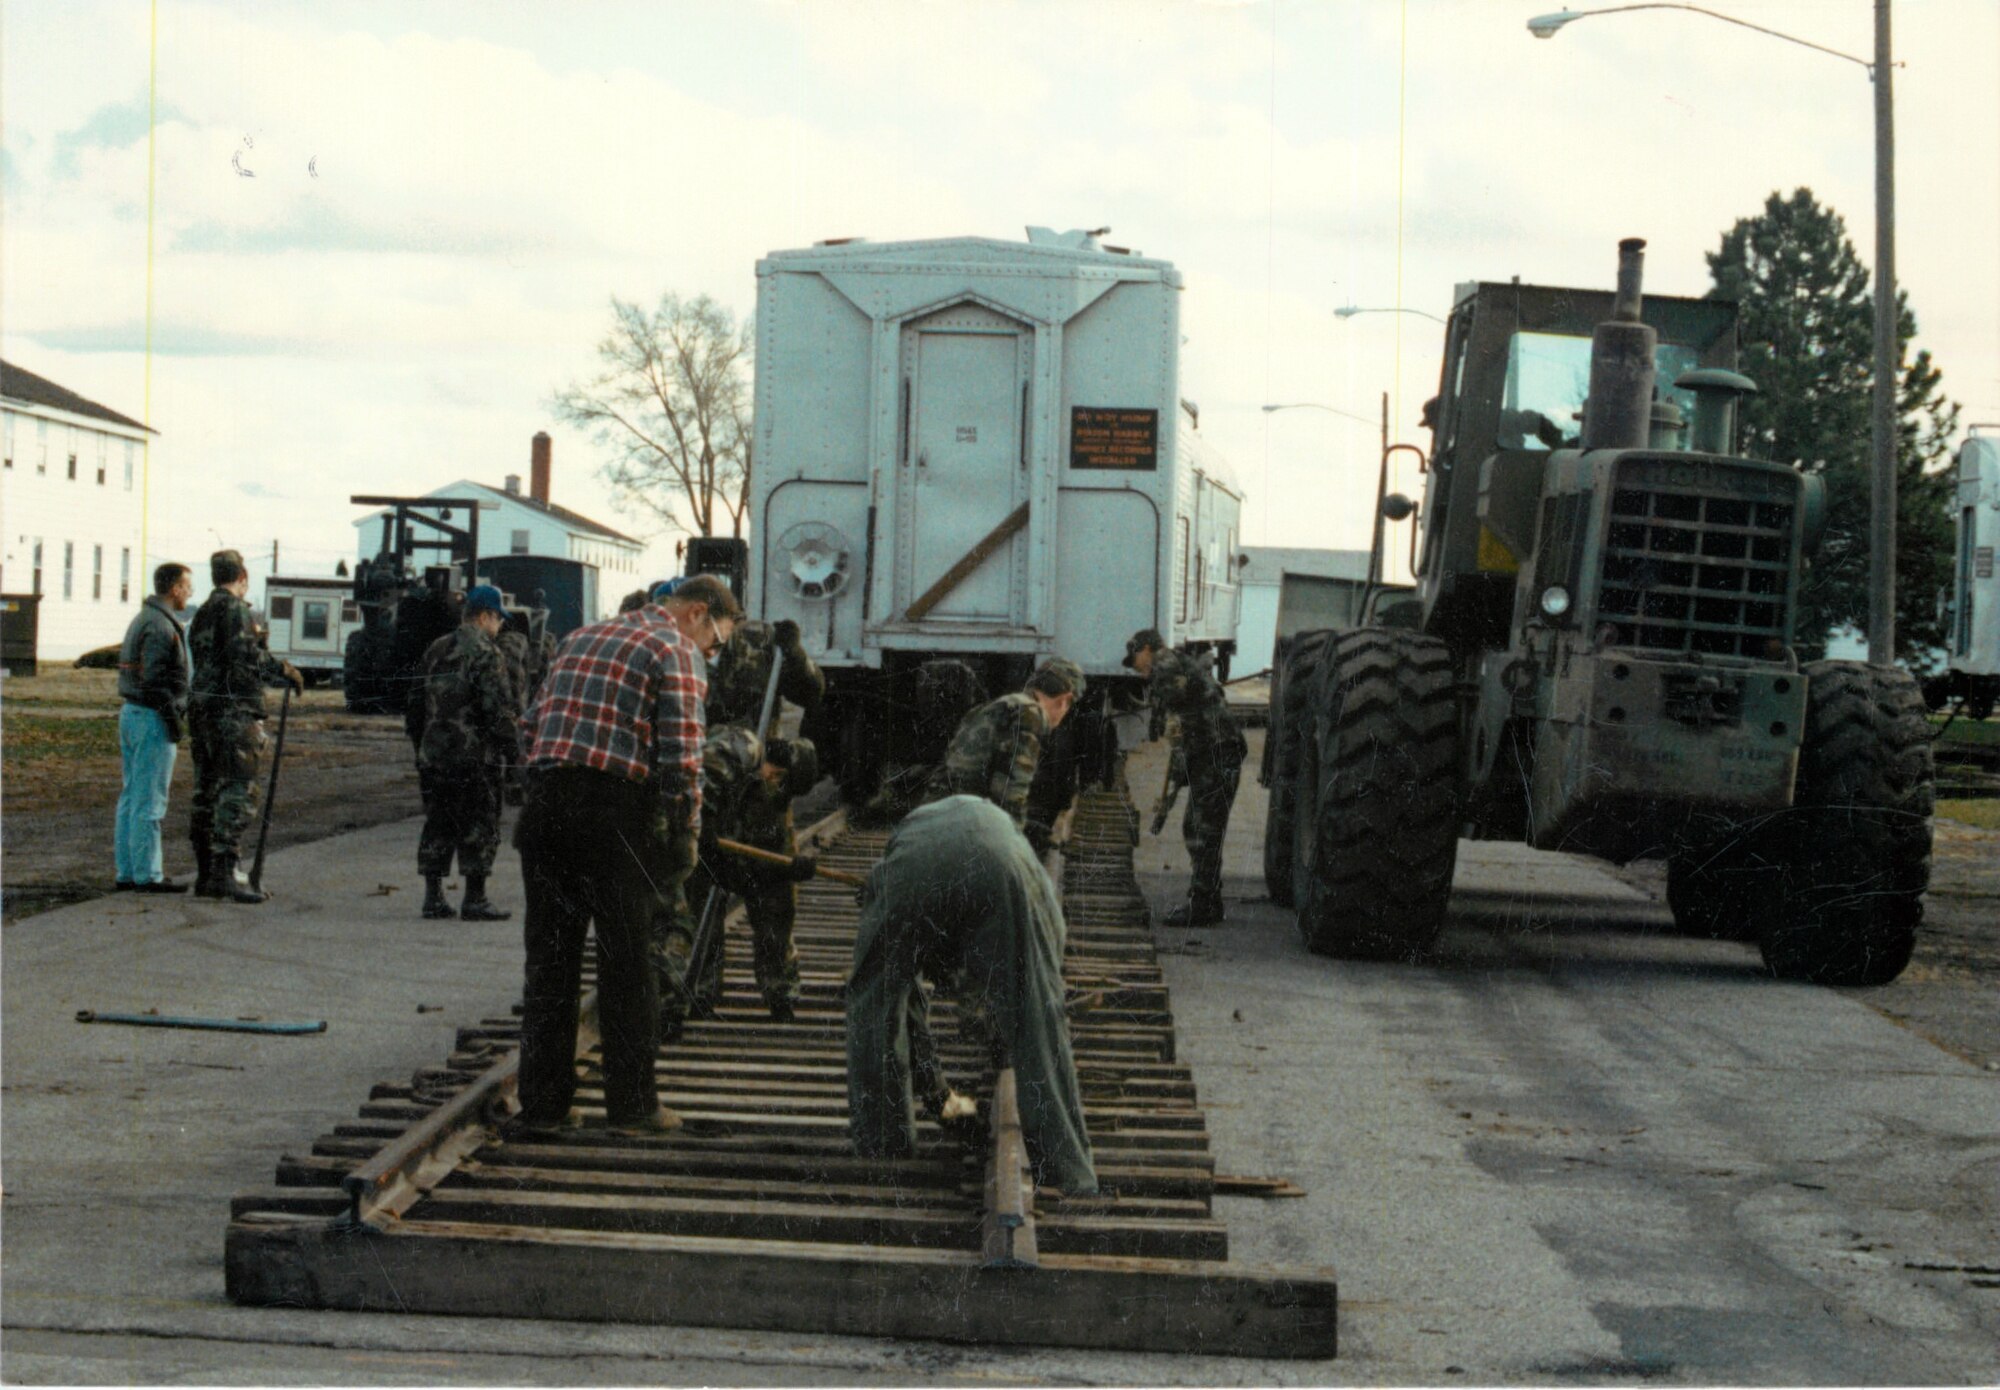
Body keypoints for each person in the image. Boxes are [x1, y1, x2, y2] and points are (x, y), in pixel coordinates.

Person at [510, 573, 741, 1137]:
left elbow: (530, 725)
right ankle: (634, 1110)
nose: (714, 652)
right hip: (611, 816)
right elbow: (683, 757)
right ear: (696, 614)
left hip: (544, 812)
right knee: (628, 965)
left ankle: (542, 1109)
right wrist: (685, 834)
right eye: (718, 639)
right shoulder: (676, 650)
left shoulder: (581, 637)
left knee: (550, 965)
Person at [845, 794, 1097, 1195]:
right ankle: (1070, 1174)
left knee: (873, 1007)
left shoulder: (891, 872)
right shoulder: (1033, 885)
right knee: (1038, 1019)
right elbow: (1044, 988)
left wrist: (934, 1090)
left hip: (912, 870)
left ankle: (883, 1146)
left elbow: (905, 1004)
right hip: (997, 866)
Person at [655, 728, 821, 1029]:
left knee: (778, 903)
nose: (777, 786)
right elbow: (696, 778)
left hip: (748, 863)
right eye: (777, 776)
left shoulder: (778, 801)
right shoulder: (737, 748)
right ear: (769, 761)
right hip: (705, 848)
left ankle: (780, 990)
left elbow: (781, 855)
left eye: (786, 786)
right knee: (690, 920)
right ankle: (691, 994)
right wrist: (701, 822)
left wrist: (795, 866)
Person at [188, 549, 302, 903]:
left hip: (203, 710)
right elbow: (245, 658)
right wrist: (281, 668)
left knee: (207, 788)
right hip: (233, 710)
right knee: (238, 788)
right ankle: (226, 873)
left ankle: (207, 872)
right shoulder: (235, 609)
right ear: (242, 576)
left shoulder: (203, 612)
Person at [1124, 628, 1247, 927]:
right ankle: (1207, 900)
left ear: (1147, 650)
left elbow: (1179, 721)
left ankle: (1204, 905)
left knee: (1202, 829)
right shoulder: (1174, 664)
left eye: (1136, 659)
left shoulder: (1164, 665)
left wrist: (1178, 774)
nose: (1137, 668)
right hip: (1216, 751)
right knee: (1201, 827)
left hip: (1215, 752)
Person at [416, 585, 520, 921]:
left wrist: (422, 746)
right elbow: (496, 710)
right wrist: (513, 753)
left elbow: (415, 705)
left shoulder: (435, 648)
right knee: (480, 823)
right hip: (474, 757)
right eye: (498, 619)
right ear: (485, 615)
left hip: (435, 754)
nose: (500, 626)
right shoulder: (488, 653)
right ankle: (475, 898)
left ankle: (433, 897)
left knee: (438, 822)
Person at [919, 658, 1083, 851]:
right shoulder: (1030, 714)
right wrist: (1017, 841)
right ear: (1065, 700)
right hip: (959, 830)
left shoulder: (992, 707)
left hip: (934, 817)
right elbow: (1010, 791)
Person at [114, 561, 195, 892]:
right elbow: (155, 681)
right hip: (151, 717)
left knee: (132, 796)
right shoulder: (162, 627)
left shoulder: (143, 619)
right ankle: (148, 875)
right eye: (188, 586)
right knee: (150, 800)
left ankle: (128, 871)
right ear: (174, 588)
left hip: (133, 713)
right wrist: (173, 720)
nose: (190, 592)